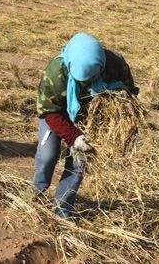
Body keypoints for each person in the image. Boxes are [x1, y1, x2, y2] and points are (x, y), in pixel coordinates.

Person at [33, 32, 138, 219]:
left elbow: (130, 92)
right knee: (48, 155)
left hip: (89, 117)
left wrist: (123, 104)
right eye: (81, 82)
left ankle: (62, 209)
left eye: (91, 79)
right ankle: (36, 193)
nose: (87, 84)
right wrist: (73, 136)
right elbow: (50, 111)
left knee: (79, 163)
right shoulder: (56, 72)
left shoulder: (115, 65)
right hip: (57, 113)